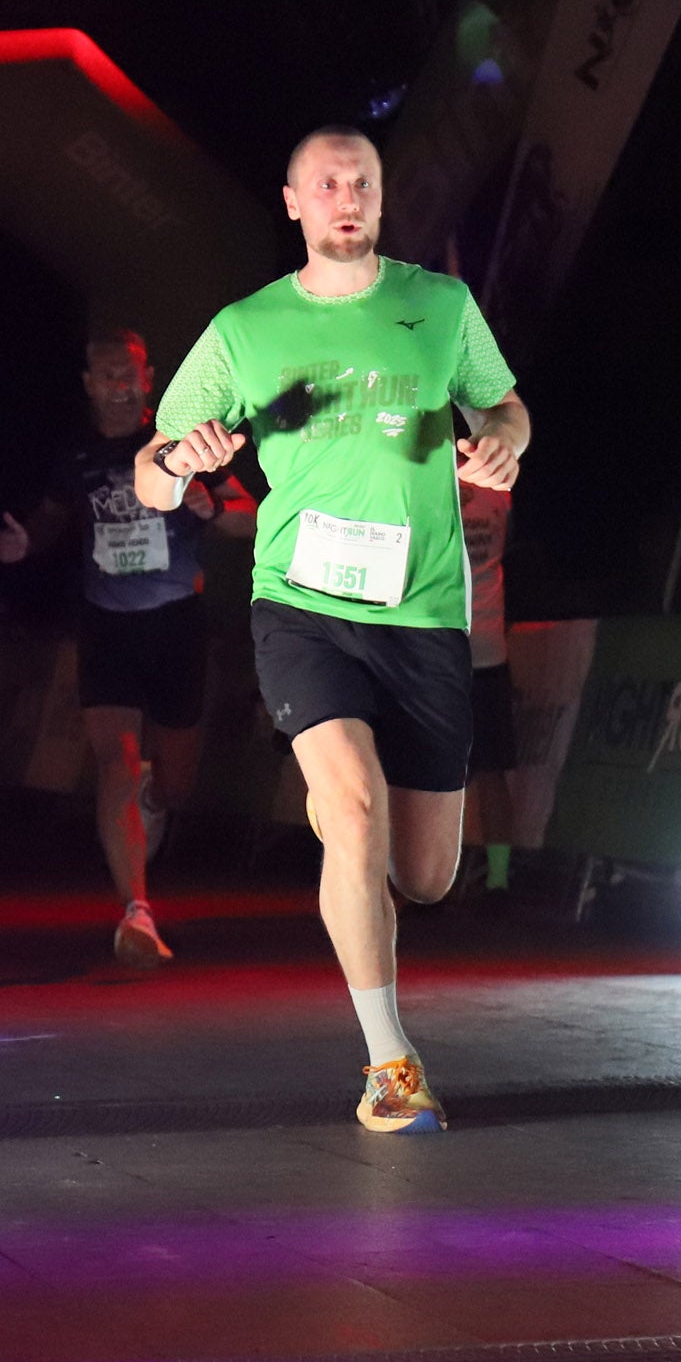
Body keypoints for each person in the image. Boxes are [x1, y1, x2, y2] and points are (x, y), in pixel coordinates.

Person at [137, 126, 528, 1133]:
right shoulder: (245, 329)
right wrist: (185, 458)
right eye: (327, 184)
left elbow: (509, 407)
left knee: (424, 874)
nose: (347, 197)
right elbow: (150, 466)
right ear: (293, 202)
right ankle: (389, 1064)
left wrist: (500, 443)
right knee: (354, 811)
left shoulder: (440, 306)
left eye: (363, 182)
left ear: (381, 198)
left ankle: (346, 828)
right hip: (304, 603)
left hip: (428, 607)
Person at [0, 328, 254, 967]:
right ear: (88, 384)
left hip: (176, 622)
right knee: (115, 760)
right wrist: (25, 541)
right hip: (107, 622)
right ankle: (136, 909)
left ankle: (156, 804)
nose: (116, 386)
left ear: (148, 380)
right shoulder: (77, 454)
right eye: (104, 375)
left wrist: (210, 503)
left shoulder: (180, 441)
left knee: (175, 781)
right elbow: (55, 514)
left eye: (127, 374)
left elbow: (249, 515)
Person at [457, 478, 519, 900]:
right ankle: (499, 880)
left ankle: (431, 880)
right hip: (490, 647)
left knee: (435, 776)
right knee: (492, 773)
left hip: (439, 649)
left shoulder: (423, 479)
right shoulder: (500, 489)